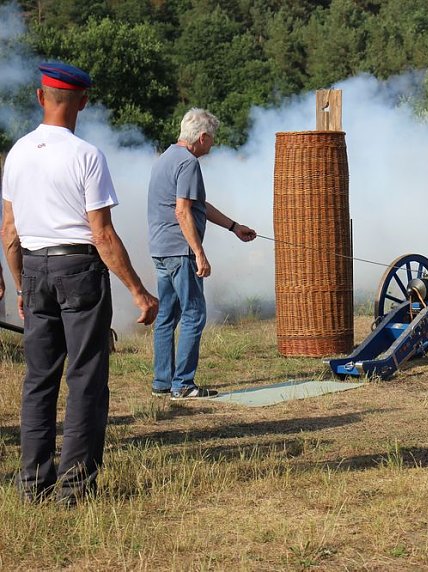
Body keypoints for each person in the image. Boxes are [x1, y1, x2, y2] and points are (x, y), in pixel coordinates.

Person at [1, 61, 159, 506]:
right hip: (78, 269)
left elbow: (9, 230)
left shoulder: (17, 153)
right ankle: (72, 489)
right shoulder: (87, 156)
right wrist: (138, 291)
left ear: (39, 97)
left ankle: (32, 484)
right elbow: (102, 233)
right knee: (86, 378)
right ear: (83, 102)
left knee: (38, 380)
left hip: (33, 268)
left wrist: (21, 288)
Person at [148, 108, 256, 400]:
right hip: (180, 251)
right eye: (212, 139)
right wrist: (199, 253)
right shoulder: (188, 163)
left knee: (167, 316)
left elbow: (198, 205)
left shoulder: (166, 158)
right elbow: (182, 211)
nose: (213, 145)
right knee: (195, 313)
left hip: (161, 249)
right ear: (203, 137)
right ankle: (183, 384)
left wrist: (233, 226)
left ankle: (162, 382)